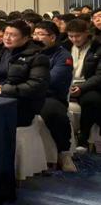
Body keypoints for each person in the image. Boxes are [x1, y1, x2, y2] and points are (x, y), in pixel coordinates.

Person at [0, 20, 50, 127]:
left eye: (13, 35)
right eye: (6, 34)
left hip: (21, 104)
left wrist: (3, 89)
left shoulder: (37, 57)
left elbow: (36, 85)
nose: (7, 38)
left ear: (25, 38)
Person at [32, 21, 76, 172]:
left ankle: (64, 153)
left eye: (40, 34)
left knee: (54, 112)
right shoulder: (30, 51)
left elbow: (52, 80)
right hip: (27, 93)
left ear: (52, 37)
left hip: (51, 96)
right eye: (34, 34)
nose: (36, 37)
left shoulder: (63, 56)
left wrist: (29, 85)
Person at [64, 19, 101, 149]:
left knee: (92, 100)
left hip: (88, 85)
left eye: (77, 36)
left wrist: (81, 88)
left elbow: (99, 76)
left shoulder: (97, 48)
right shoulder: (64, 46)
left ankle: (83, 136)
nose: (74, 39)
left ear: (86, 33)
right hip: (66, 84)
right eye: (71, 36)